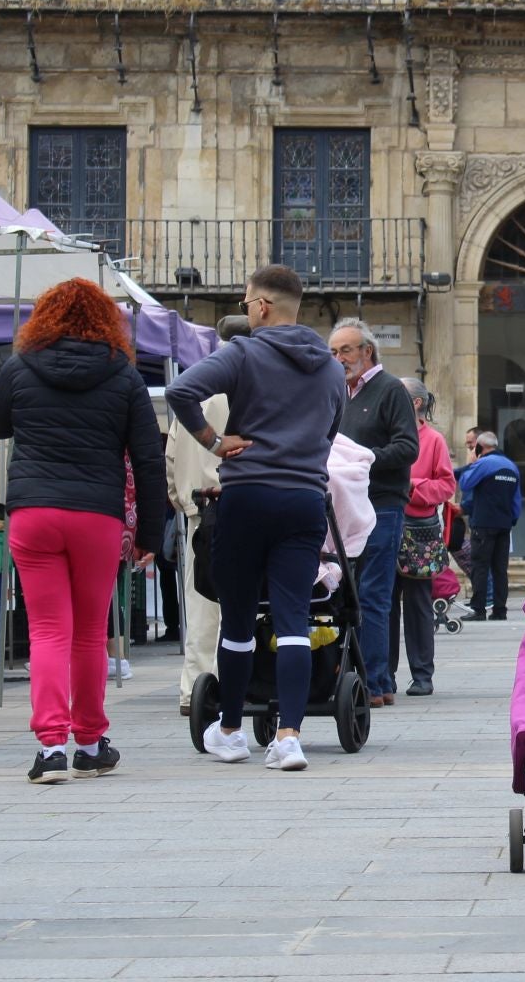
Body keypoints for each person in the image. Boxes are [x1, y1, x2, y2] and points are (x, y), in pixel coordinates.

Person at [0, 279, 167, 784]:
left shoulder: (20, 368)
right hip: (96, 514)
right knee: (90, 632)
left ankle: (49, 749)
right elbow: (149, 460)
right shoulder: (124, 377)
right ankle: (89, 742)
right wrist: (151, 531)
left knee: (46, 630)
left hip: (34, 511)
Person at [167, 266, 345, 772]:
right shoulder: (332, 369)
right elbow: (331, 434)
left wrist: (214, 442)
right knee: (293, 618)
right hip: (304, 500)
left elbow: (182, 392)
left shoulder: (243, 352)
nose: (246, 311)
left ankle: (229, 730)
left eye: (246, 303)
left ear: (262, 306)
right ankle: (288, 737)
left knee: (240, 619)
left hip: (246, 495)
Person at [329, 318, 419, 706]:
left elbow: (407, 448)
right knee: (341, 592)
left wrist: (362, 461)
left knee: (373, 594)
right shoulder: (337, 393)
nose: (339, 359)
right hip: (340, 507)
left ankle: (377, 683)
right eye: (333, 352)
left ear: (368, 351)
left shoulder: (390, 390)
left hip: (382, 505)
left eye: (346, 350)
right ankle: (350, 678)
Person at [165, 314, 251, 714]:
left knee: (201, 605)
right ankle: (242, 681)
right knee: (247, 602)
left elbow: (169, 458)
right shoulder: (249, 392)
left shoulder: (197, 395)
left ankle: (195, 690)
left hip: (199, 511)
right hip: (245, 504)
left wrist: (180, 499)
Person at [394, 377, 455, 697]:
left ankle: (421, 674)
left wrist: (413, 487)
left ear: (416, 403)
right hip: (383, 524)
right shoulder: (386, 435)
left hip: (418, 531)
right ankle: (382, 674)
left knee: (418, 604)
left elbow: (446, 486)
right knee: (382, 603)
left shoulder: (434, 440)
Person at [458, 431, 523, 621]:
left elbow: (465, 483)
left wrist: (471, 463)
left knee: (480, 566)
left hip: (483, 523)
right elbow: (516, 501)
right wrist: (511, 520)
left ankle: (478, 610)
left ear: (480, 447)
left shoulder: (484, 463)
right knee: (500, 569)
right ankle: (500, 610)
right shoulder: (512, 466)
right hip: (504, 525)